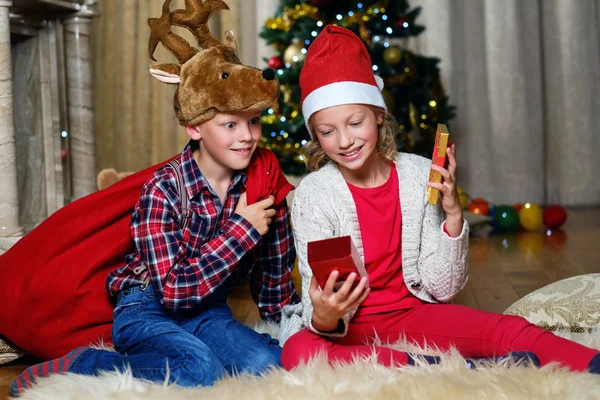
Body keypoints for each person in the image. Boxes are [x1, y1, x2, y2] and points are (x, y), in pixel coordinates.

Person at [11, 1, 299, 396]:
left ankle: (195, 354)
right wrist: (242, 228)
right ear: (194, 128)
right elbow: (174, 291)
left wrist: (293, 327)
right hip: (147, 307)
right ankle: (87, 363)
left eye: (252, 121)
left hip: (207, 311)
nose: (246, 136)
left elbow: (274, 276)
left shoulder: (263, 181)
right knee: (200, 371)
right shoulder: (163, 188)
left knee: (267, 364)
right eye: (229, 124)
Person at [278, 25, 600, 373]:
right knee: (298, 351)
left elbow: (442, 288)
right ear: (315, 134)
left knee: (505, 329)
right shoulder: (313, 195)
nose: (344, 141)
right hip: (347, 329)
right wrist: (325, 316)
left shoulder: (418, 175)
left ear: (378, 115)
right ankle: (439, 368)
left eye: (355, 123)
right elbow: (319, 309)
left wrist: (453, 218)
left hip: (413, 314)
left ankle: (592, 361)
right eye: (327, 131)